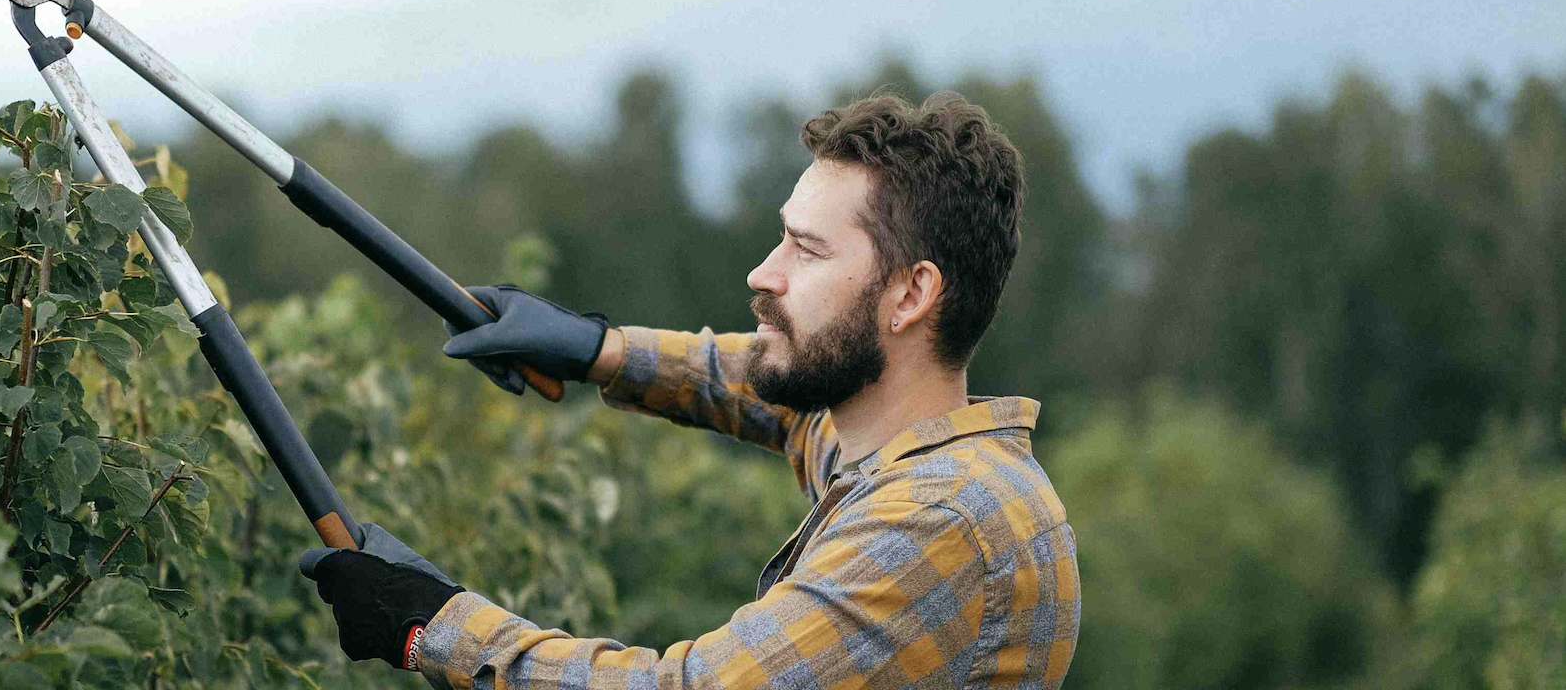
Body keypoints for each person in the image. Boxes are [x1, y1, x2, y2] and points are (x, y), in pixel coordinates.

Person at [297, 92, 1081, 689]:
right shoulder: (895, 447)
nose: (763, 273)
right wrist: (595, 349)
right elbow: (764, 389)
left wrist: (432, 624)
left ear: (911, 297)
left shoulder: (936, 525)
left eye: (807, 252)